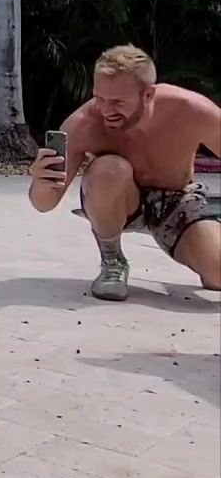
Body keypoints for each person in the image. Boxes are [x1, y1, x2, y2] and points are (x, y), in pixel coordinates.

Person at [28, 44, 221, 301]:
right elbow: (44, 204)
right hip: (119, 197)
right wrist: (42, 183)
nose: (106, 110)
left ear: (148, 94)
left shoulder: (191, 110)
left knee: (218, 272)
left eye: (117, 102)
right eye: (99, 98)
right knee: (109, 170)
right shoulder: (82, 125)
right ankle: (113, 261)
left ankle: (206, 257)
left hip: (176, 199)